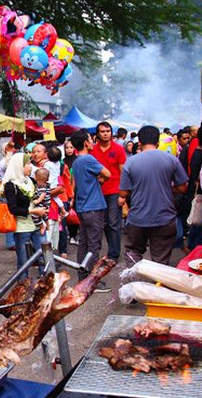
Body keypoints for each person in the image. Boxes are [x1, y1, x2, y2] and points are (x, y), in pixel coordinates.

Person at [119, 126, 189, 267]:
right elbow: (183, 188)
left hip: (138, 218)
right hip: (164, 217)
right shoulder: (171, 160)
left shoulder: (131, 162)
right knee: (161, 261)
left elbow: (123, 193)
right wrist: (166, 187)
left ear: (139, 142)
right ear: (158, 142)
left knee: (133, 252)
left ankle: (135, 285)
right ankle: (158, 285)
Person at [70, 130, 111, 286]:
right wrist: (100, 181)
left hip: (83, 207)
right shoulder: (88, 159)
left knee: (84, 243)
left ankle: (82, 277)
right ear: (86, 143)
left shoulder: (76, 161)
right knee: (94, 245)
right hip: (93, 206)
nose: (93, 141)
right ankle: (92, 280)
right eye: (91, 139)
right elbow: (107, 173)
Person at [2, 152, 47, 278]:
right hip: (22, 228)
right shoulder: (11, 185)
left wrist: (43, 216)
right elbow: (13, 209)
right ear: (18, 166)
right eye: (27, 164)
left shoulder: (31, 181)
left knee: (44, 256)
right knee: (23, 261)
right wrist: (33, 211)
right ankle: (23, 289)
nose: (31, 167)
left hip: (37, 225)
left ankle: (46, 284)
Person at [91, 121, 127, 263]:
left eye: (108, 131)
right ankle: (104, 252)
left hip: (114, 191)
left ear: (111, 133)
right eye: (102, 131)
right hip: (98, 192)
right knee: (102, 223)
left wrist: (123, 195)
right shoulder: (92, 150)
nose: (105, 133)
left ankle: (114, 254)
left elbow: (123, 172)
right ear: (98, 134)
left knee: (114, 223)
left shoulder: (118, 149)